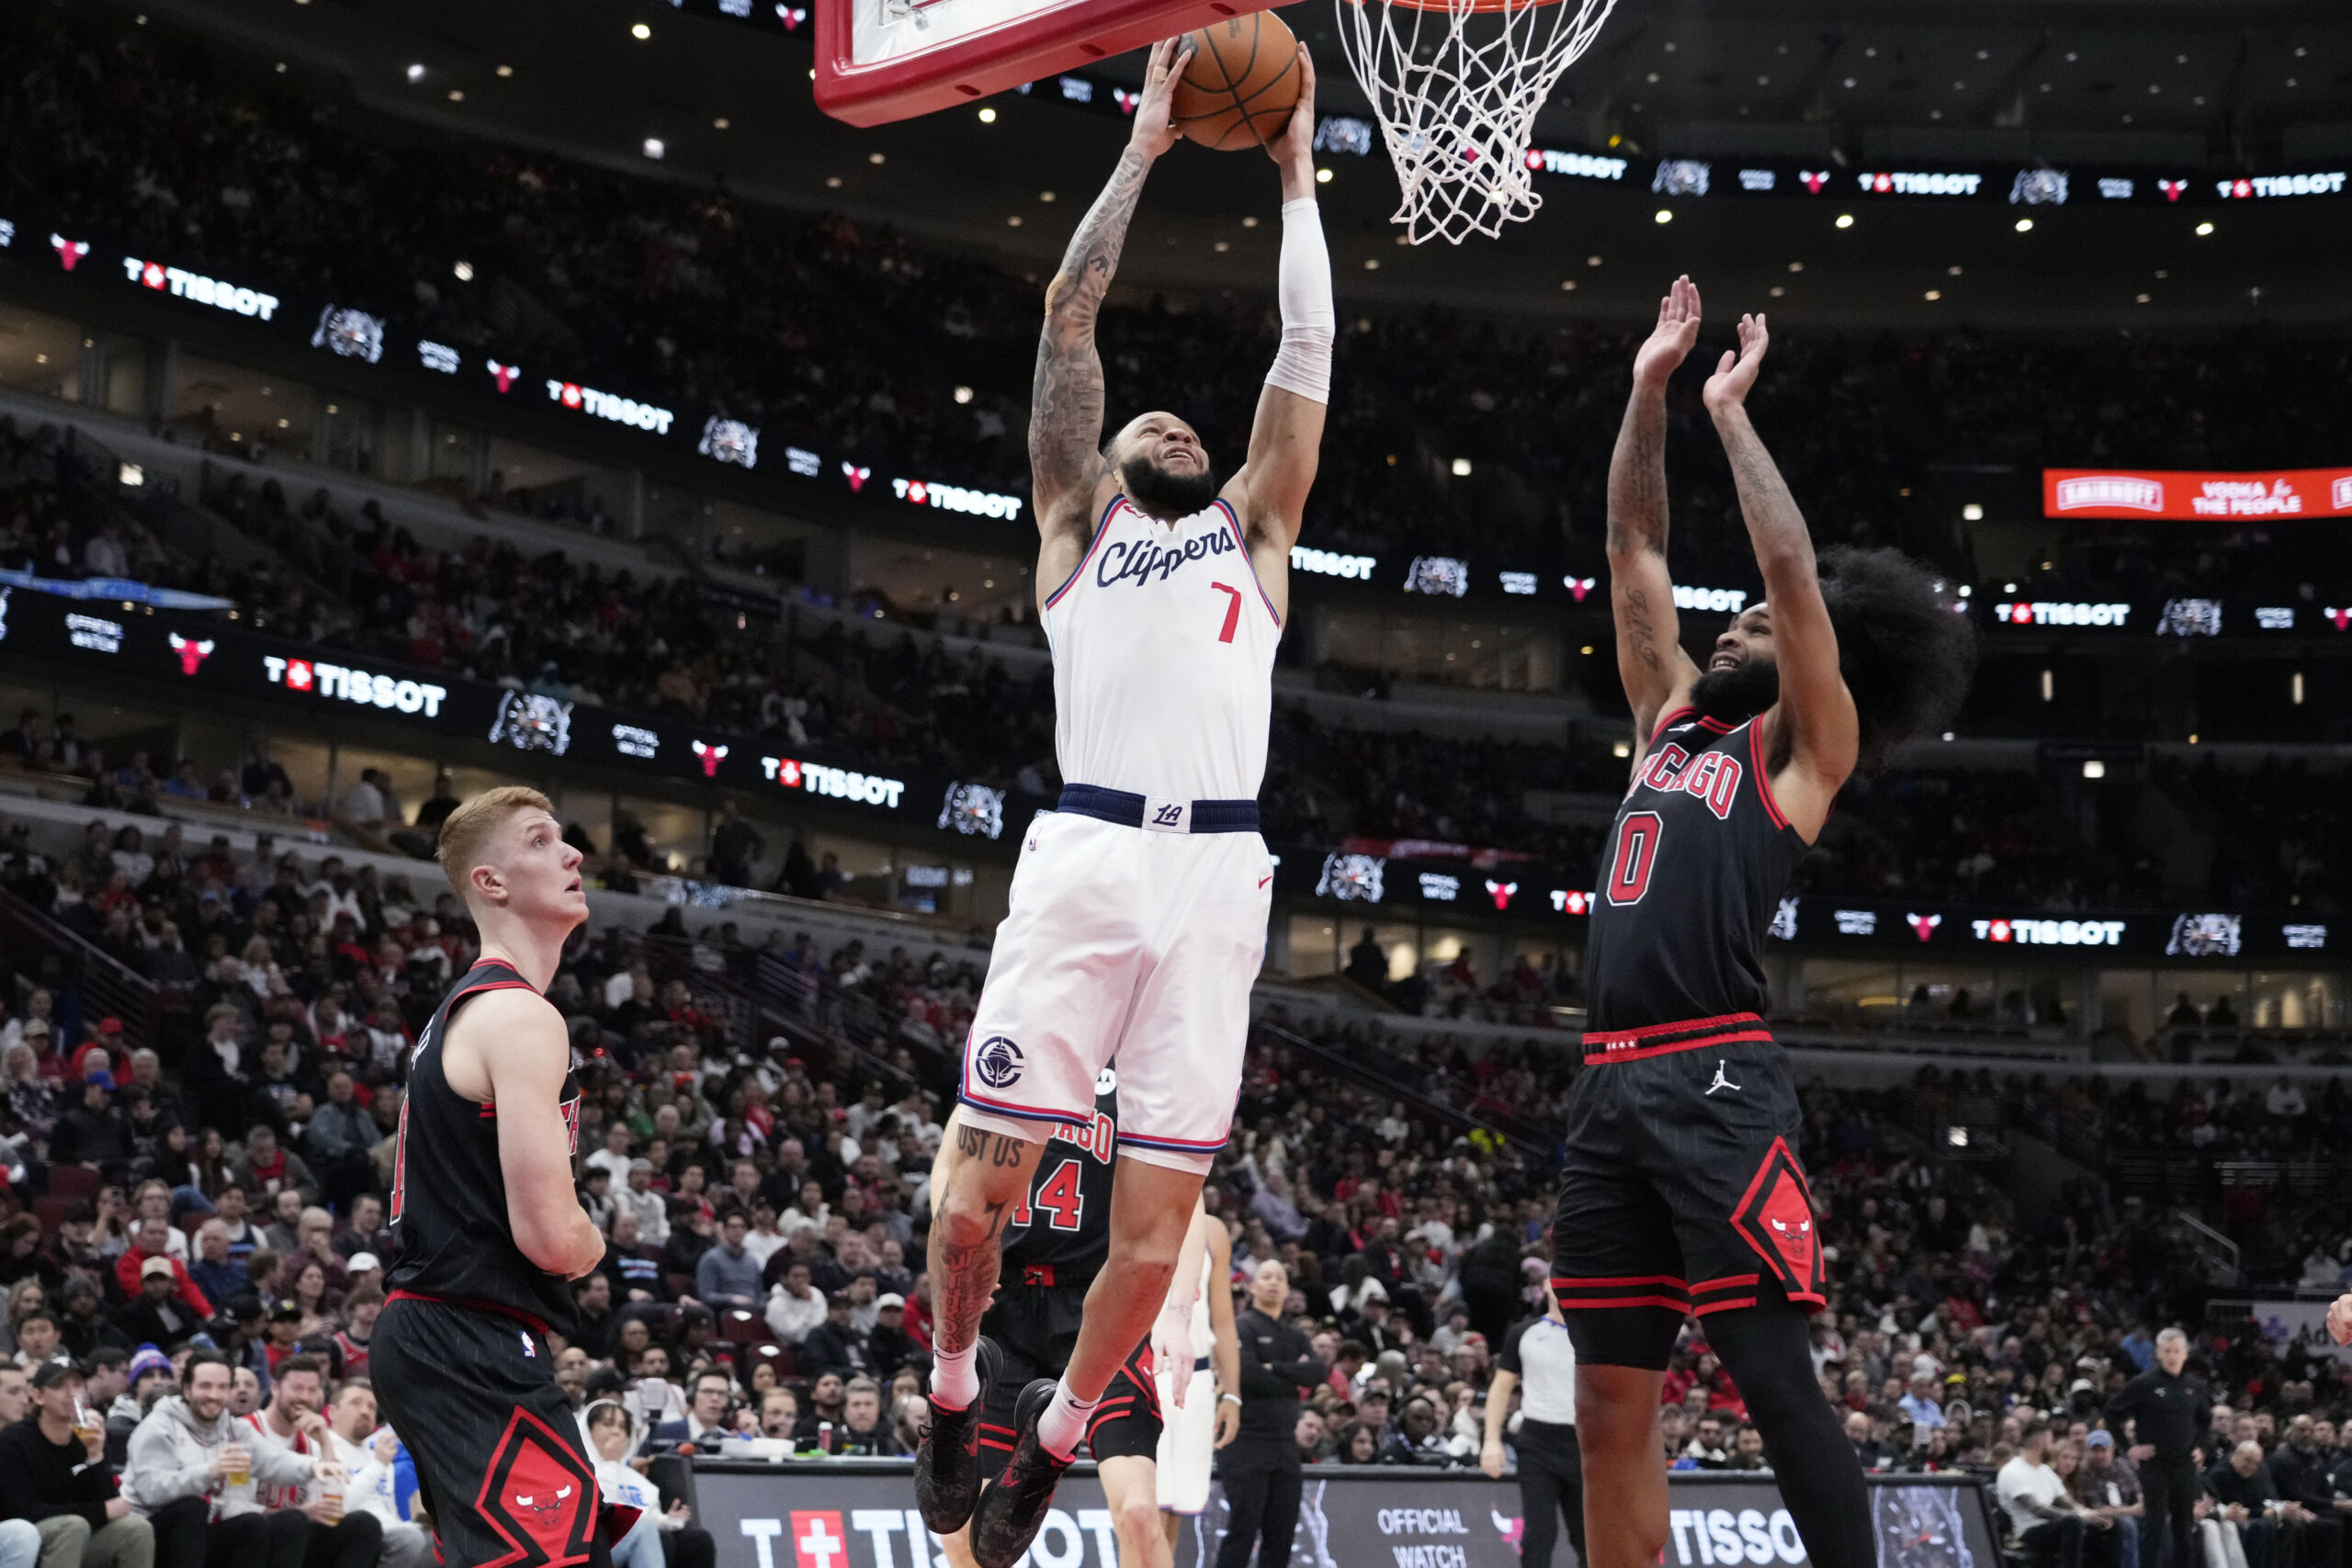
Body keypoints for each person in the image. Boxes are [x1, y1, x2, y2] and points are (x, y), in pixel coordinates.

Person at [921, 32, 1331, 1568]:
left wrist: (1294, 179)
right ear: (1099, 461)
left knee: (1158, 1237)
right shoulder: (1073, 531)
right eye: (1140, 421)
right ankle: (957, 1389)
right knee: (978, 1195)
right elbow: (1070, 312)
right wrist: (1148, 143)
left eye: (1186, 424)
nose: (1169, 421)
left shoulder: (1256, 533)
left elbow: (1306, 359)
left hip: (1221, 876)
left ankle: (1047, 1441)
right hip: (1089, 850)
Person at [1552, 277, 1975, 1568]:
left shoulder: (1803, 745)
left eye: (1753, 625)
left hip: (1716, 1077)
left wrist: (1732, 414)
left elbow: (1789, 568)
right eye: (1723, 620)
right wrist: (1646, 391)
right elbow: (1635, 555)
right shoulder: (1665, 722)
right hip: (1608, 1089)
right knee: (1609, 1402)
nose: (1730, 621)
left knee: (1772, 1381)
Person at [369, 787, 610, 1568]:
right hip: (466, 1332)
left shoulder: (469, 1012)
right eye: (541, 841)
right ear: (490, 883)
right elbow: (549, 1237)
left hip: (441, 1331)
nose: (572, 853)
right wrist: (591, 1240)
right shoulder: (519, 1016)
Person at [934, 1080, 1172, 1568]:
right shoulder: (1020, 1051)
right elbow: (950, 1165)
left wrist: (1179, 1313)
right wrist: (961, 1253)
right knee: (964, 1532)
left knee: (1140, 1512)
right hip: (1006, 1302)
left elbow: (1184, 1208)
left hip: (1100, 1303)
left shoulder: (1141, 1067)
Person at [124, 1348, 319, 1568]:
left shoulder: (234, 1428)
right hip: (150, 1532)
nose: (214, 1395)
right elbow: (151, 1491)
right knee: (192, 1507)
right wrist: (210, 1472)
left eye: (222, 1387)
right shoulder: (159, 1426)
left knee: (268, 1523)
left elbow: (275, 1461)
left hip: (203, 1533)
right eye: (205, 1386)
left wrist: (316, 1466)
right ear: (187, 1390)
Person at [1215, 1261, 1325, 1568]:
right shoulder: (1243, 1325)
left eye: (1280, 1277)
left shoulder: (1294, 1333)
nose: (1273, 1282)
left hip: (1285, 1445)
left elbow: (1318, 1371)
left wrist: (1274, 1368)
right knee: (1243, 1530)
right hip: (1245, 1441)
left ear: (1288, 1289)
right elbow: (1247, 1374)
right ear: (1253, 1286)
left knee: (1282, 1534)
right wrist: (1293, 1375)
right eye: (1266, 1277)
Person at [0, 1359, 156, 1568]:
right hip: (30, 1539)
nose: (70, 1393)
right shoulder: (15, 1439)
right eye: (58, 1386)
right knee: (73, 1526)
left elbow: (112, 1504)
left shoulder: (88, 1437)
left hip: (77, 1534)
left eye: (77, 1385)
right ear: (38, 1396)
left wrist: (95, 1456)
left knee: (136, 1528)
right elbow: (24, 1511)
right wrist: (99, 1511)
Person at [239, 1355, 382, 1568]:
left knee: (364, 1524)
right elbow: (235, 1507)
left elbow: (336, 1504)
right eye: (297, 1388)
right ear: (276, 1389)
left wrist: (325, 1442)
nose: (305, 1397)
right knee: (292, 1522)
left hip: (297, 1536)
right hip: (252, 1535)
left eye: (312, 1390)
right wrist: (299, 1513)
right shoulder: (246, 1430)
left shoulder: (310, 1438)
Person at [1155, 1201, 1241, 1554]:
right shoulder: (1128, 1211)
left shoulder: (1213, 1231)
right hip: (1146, 1371)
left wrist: (1232, 1395)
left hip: (1199, 1380)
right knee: (1145, 1511)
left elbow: (1222, 1319)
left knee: (1177, 1511)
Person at [1483, 1287, 1582, 1568]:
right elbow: (1501, 1388)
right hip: (1537, 1443)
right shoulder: (1523, 1333)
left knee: (1588, 1537)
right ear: (1546, 1287)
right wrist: (1491, 1440)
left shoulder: (1595, 1333)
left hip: (1584, 1446)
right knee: (1539, 1534)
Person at [2108, 1327, 2208, 1568]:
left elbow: (2205, 1420)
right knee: (2155, 1526)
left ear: (2185, 1354)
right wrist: (2128, 1447)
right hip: (2155, 1465)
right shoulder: (2144, 1383)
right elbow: (2111, 1412)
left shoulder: (2194, 1386)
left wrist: (2201, 1447)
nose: (2172, 1356)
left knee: (2185, 1528)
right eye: (2167, 1351)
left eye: (2177, 1351)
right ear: (2159, 1354)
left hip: (2184, 1465)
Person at [319, 1381, 428, 1568]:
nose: (365, 1411)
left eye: (371, 1406)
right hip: (347, 1535)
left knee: (442, 1541)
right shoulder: (323, 1447)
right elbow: (340, 1506)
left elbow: (388, 1511)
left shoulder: (377, 1453)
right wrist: (378, 1465)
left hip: (390, 1534)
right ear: (332, 1412)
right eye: (356, 1403)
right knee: (410, 1539)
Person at [2000, 1417, 2104, 1568]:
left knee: (2105, 1526)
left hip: (2053, 1527)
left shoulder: (2045, 1471)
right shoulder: (2012, 1470)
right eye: (2050, 1438)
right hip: (2028, 1532)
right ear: (2042, 1440)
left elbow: (2068, 1503)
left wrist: (2092, 1514)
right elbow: (2036, 1509)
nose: (2053, 1444)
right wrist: (2079, 1516)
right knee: (2073, 1522)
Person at [2078, 1431, 2145, 1568]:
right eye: (2095, 1451)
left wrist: (2124, 1510)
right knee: (2127, 1525)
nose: (2099, 1455)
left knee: (2157, 1521)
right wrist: (2128, 1511)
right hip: (2098, 1518)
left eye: (2103, 1450)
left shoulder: (2122, 1466)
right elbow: (2101, 1509)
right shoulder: (2085, 1472)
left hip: (2126, 1512)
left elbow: (2141, 1500)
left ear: (2112, 1449)